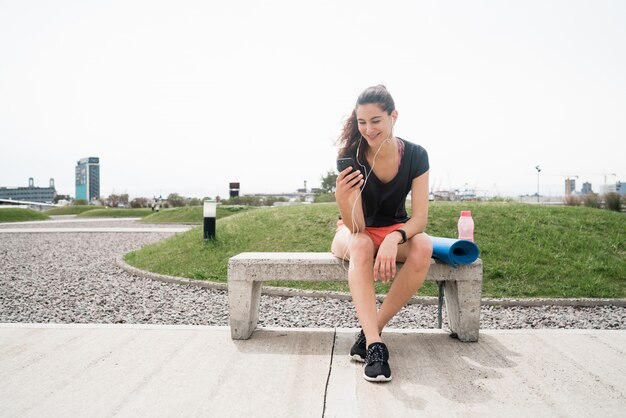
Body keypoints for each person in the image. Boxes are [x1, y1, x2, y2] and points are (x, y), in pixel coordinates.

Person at [331, 85, 432, 382]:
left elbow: (421, 219)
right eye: (362, 122)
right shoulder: (352, 155)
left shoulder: (416, 155)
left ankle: (370, 330)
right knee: (361, 244)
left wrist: (393, 237)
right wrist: (342, 196)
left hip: (394, 231)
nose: (368, 129)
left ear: (393, 116)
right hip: (352, 230)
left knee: (423, 245)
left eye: (376, 121)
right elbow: (357, 226)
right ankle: (376, 346)